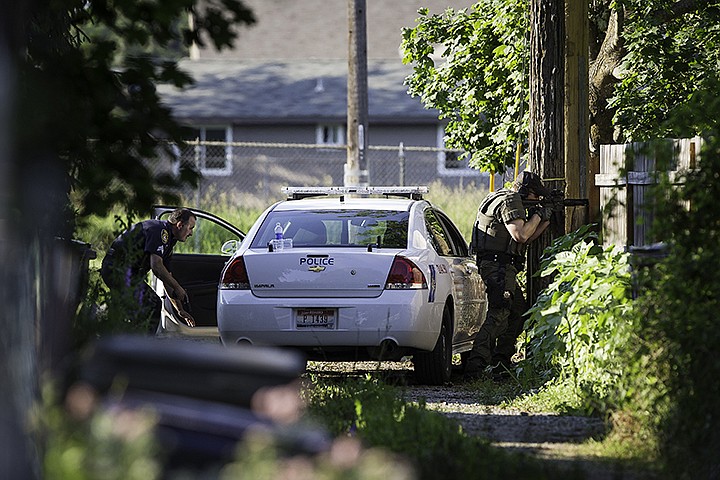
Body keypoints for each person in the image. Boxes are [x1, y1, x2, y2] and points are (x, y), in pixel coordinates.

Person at [465, 171, 552, 380]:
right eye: (535, 195)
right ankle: (475, 367)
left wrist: (544, 219)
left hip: (501, 265)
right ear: (524, 191)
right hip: (498, 267)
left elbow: (526, 236)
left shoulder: (498, 196)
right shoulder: (510, 200)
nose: (537, 200)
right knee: (499, 313)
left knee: (517, 311)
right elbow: (520, 235)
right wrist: (539, 214)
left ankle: (500, 363)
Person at [101, 208, 196, 332]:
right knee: (152, 305)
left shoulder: (169, 241)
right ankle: (140, 346)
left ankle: (122, 336)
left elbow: (166, 277)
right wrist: (178, 287)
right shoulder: (160, 231)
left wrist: (180, 310)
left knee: (142, 307)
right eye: (190, 228)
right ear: (180, 225)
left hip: (127, 273)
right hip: (116, 269)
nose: (191, 233)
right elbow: (156, 266)